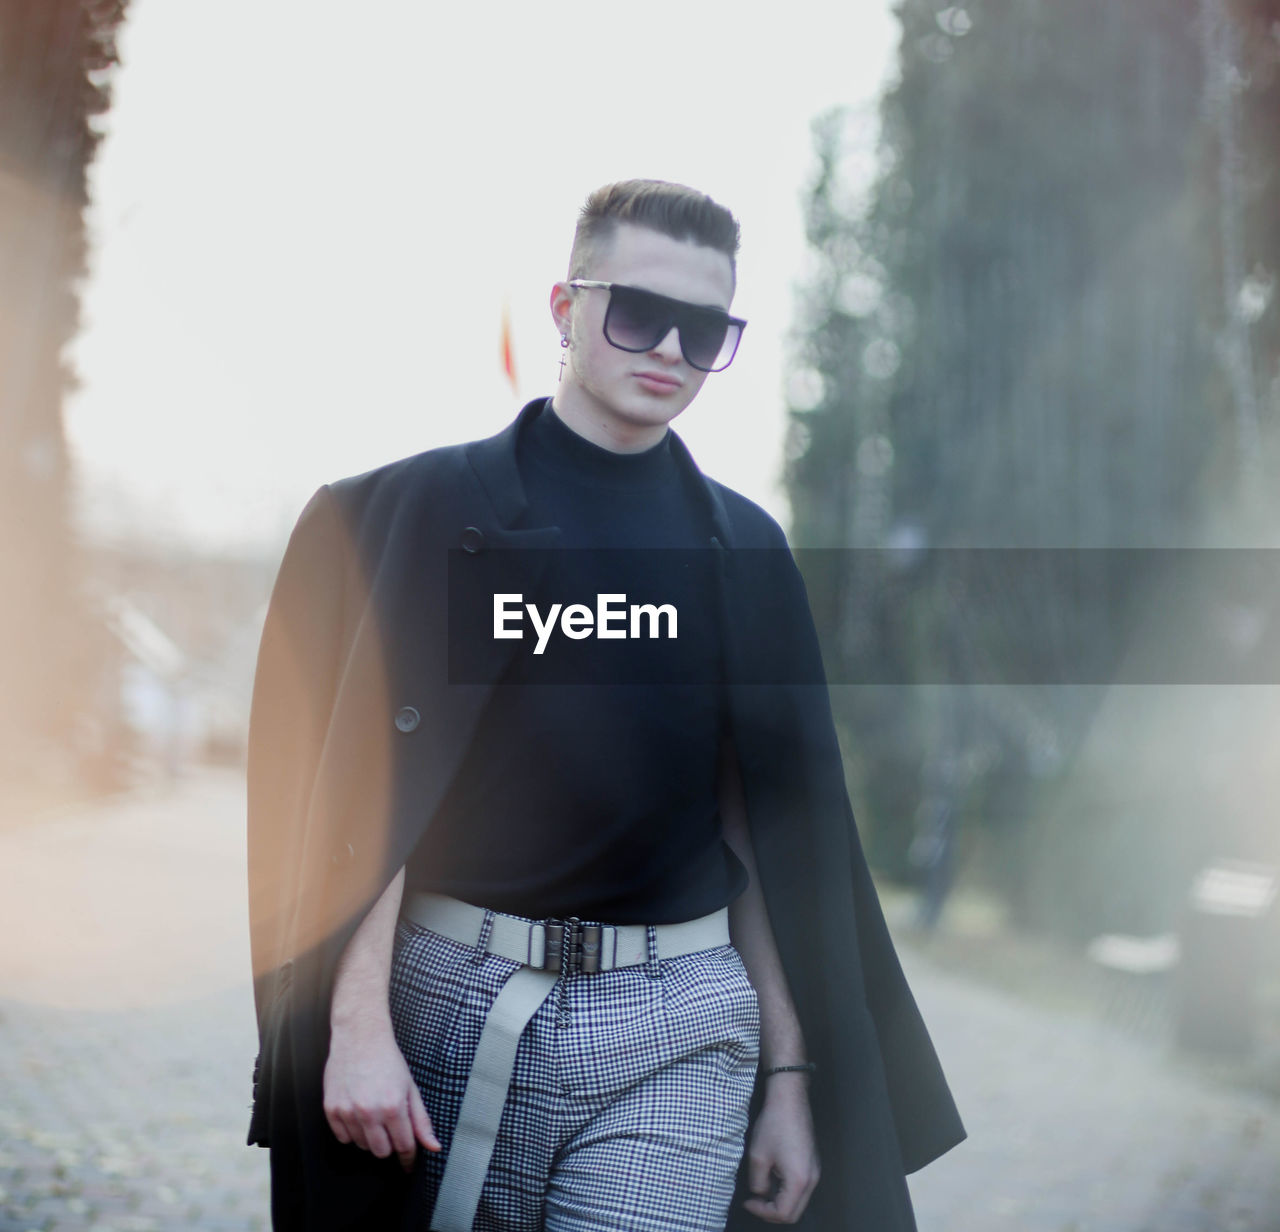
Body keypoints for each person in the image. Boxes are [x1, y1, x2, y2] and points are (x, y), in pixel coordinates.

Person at [246, 179, 965, 1232]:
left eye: (704, 327)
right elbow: (367, 797)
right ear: (563, 307)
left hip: (677, 1024)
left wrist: (792, 1078)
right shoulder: (412, 515)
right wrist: (354, 1025)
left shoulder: (745, 555)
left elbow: (761, 831)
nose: (668, 347)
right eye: (636, 311)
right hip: (445, 994)